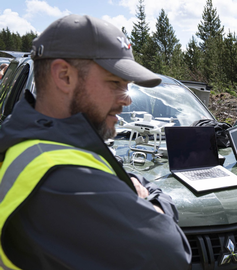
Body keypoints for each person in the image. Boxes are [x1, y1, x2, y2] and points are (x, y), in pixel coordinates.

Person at [0, 15, 191, 269]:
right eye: (115, 83)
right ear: (64, 76)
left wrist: (135, 188)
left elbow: (129, 178)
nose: (127, 99)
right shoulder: (62, 177)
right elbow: (172, 255)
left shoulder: (41, 142)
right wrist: (153, 203)